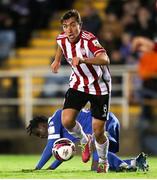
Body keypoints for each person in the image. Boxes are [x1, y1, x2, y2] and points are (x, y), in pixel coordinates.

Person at [51, 9, 111, 173]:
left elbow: (105, 59)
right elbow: (60, 45)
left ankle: (103, 161)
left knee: (99, 131)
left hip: (99, 86)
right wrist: (57, 61)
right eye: (65, 26)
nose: (69, 30)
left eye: (72, 25)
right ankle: (85, 141)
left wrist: (84, 59)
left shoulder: (89, 39)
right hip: (78, 84)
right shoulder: (62, 38)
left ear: (80, 26)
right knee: (67, 121)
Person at [26, 109, 149, 172]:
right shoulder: (61, 131)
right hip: (109, 120)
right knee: (97, 166)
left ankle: (125, 166)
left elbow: (49, 147)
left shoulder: (54, 120)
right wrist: (51, 168)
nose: (41, 136)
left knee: (99, 158)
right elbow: (63, 154)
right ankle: (136, 163)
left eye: (38, 133)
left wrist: (38, 168)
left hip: (102, 123)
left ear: (42, 125)